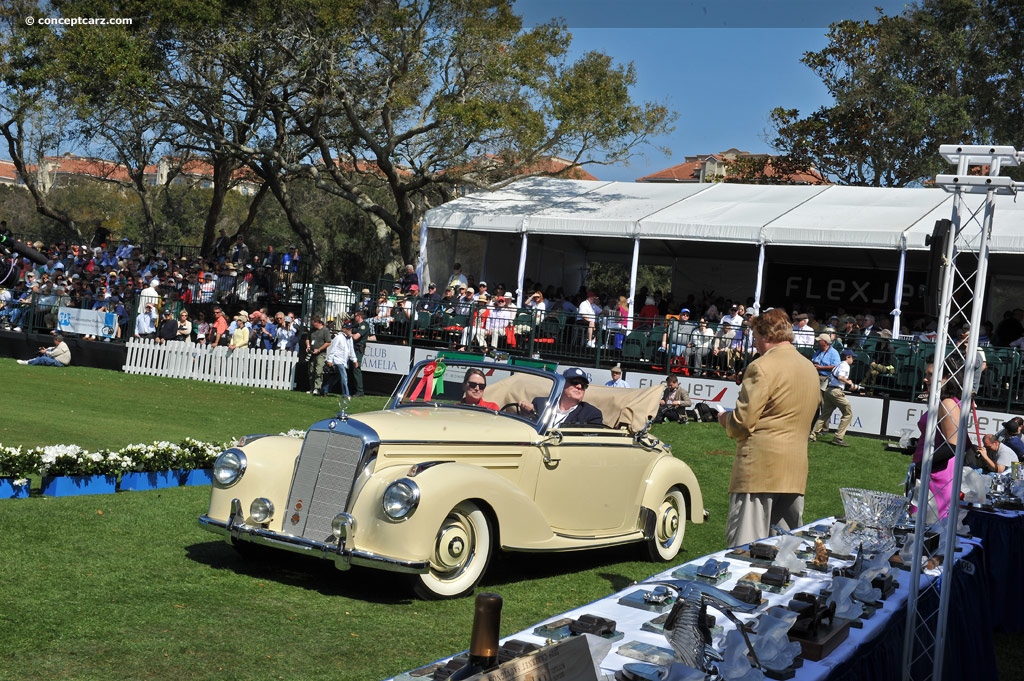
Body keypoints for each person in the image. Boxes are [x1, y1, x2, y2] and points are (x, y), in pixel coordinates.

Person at [718, 308, 820, 547]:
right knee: (785, 551)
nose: (755, 344)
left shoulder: (761, 366)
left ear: (766, 336)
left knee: (745, 549)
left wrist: (723, 418)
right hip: (795, 470)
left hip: (759, 471)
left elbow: (742, 423)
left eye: (754, 338)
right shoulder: (809, 369)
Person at [911, 360, 966, 522]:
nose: (925, 379)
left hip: (938, 476)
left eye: (930, 375)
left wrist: (921, 465)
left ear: (946, 377)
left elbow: (952, 446)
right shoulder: (941, 402)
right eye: (925, 374)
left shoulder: (947, 403)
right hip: (932, 472)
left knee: (927, 528)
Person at [518, 367, 604, 427]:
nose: (579, 387)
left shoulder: (591, 414)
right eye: (574, 382)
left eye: (584, 385)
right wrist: (525, 415)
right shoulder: (540, 404)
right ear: (562, 384)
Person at [810, 349, 860, 447]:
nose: (853, 359)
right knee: (848, 414)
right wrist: (849, 382)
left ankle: (812, 435)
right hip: (836, 392)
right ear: (847, 357)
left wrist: (847, 382)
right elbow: (841, 377)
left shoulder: (839, 364)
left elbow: (838, 377)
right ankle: (838, 437)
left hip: (829, 390)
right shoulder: (845, 365)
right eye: (852, 357)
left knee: (824, 414)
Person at [323, 324, 356, 398]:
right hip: (337, 360)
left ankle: (325, 390)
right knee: (344, 377)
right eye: (348, 329)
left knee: (336, 377)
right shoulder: (338, 337)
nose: (350, 330)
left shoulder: (350, 338)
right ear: (344, 329)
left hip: (344, 361)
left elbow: (351, 350)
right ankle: (346, 394)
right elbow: (333, 349)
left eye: (350, 328)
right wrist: (330, 360)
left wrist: (354, 360)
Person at [348, 309, 368, 397]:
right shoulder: (357, 325)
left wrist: (349, 334)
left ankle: (360, 391)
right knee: (352, 369)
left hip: (358, 349)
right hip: (353, 349)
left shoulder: (364, 326)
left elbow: (356, 337)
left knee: (356, 369)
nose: (354, 318)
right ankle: (355, 389)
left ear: (359, 316)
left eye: (355, 316)